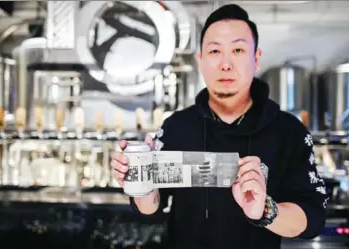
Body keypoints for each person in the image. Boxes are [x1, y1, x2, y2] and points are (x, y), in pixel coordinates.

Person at [111, 4, 328, 249]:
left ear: (256, 59)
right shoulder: (176, 127)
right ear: (200, 60)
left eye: (237, 49)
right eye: (214, 51)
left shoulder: (289, 132)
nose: (225, 64)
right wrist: (140, 181)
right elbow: (151, 209)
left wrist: (265, 210)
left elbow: (313, 219)